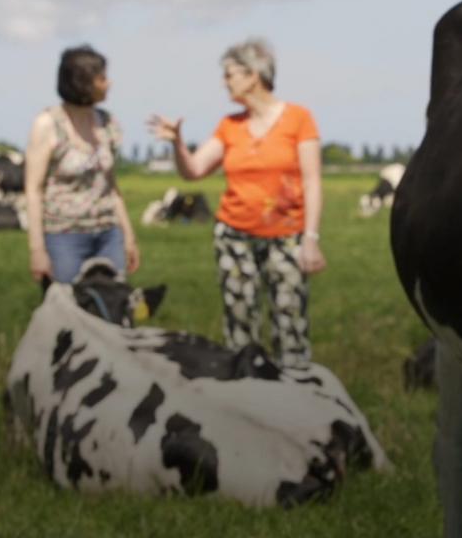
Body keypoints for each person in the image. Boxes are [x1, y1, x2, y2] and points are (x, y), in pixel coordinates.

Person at [148, 38, 325, 368]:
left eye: (229, 74)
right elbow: (194, 171)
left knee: (291, 323)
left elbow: (313, 181)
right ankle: (245, 394)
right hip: (234, 238)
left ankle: (297, 397)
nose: (224, 82)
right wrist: (177, 144)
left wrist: (311, 240)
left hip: (287, 237)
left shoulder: (299, 119)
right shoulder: (230, 126)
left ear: (253, 74)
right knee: (239, 325)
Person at [25, 45, 140, 284]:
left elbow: (111, 186)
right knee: (67, 310)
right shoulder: (48, 124)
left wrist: (128, 236)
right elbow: (33, 190)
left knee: (112, 308)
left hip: (108, 233)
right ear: (82, 82)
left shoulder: (108, 123)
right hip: (64, 236)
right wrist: (37, 250)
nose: (109, 84)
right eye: (102, 78)